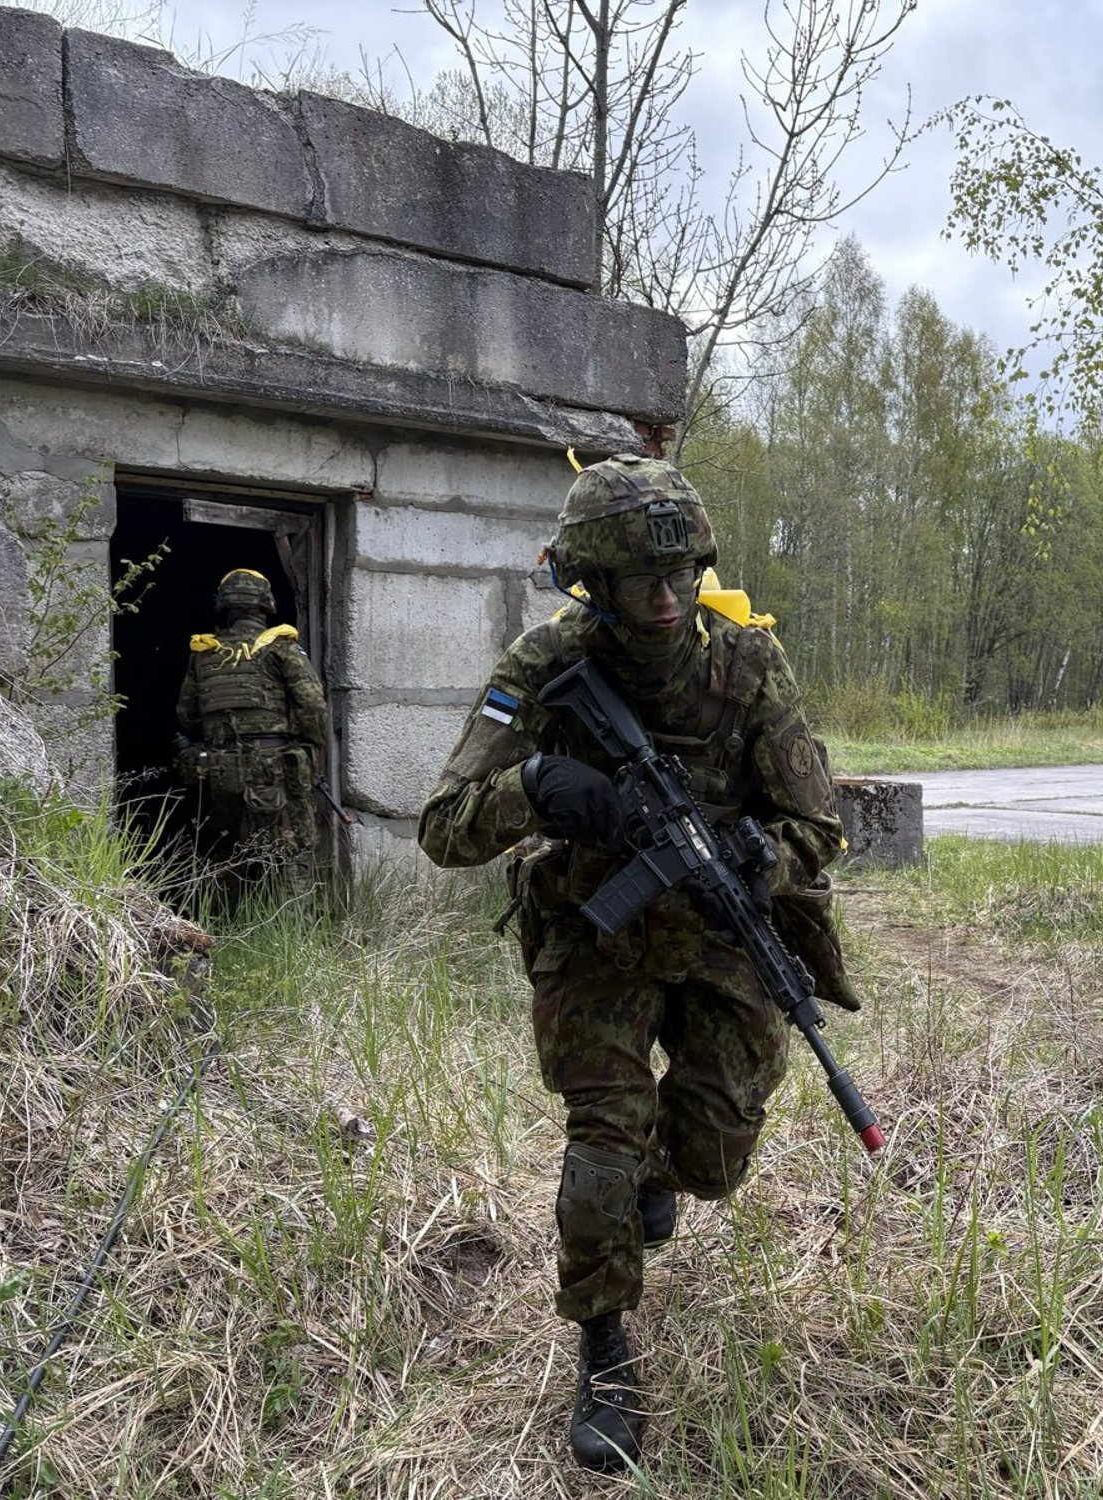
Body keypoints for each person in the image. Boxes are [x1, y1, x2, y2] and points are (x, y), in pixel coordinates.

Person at [416, 455, 846, 1472]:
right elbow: (442, 826)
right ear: (590, 584)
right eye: (643, 583)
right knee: (601, 1149)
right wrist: (535, 787)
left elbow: (819, 826)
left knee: (712, 1157)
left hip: (717, 931)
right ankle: (604, 1350)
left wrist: (761, 853)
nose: (667, 600)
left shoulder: (745, 665)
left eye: (683, 575)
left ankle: (661, 1171)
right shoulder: (539, 670)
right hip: (595, 940)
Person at [173, 567, 330, 900]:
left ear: (224, 604)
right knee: (291, 851)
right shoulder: (280, 649)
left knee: (226, 853)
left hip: (218, 772)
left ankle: (223, 931)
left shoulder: (203, 654)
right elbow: (313, 705)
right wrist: (312, 750)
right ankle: (297, 934)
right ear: (266, 603)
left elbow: (186, 716)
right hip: (273, 771)